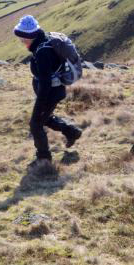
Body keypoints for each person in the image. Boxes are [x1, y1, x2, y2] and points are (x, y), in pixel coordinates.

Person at [14, 14, 83, 171]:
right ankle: (71, 132)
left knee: (36, 124)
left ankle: (44, 159)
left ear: (30, 35)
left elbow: (45, 83)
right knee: (46, 118)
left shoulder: (42, 52)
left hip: (50, 93)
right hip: (54, 91)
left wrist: (39, 104)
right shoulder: (43, 42)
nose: (21, 41)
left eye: (23, 37)